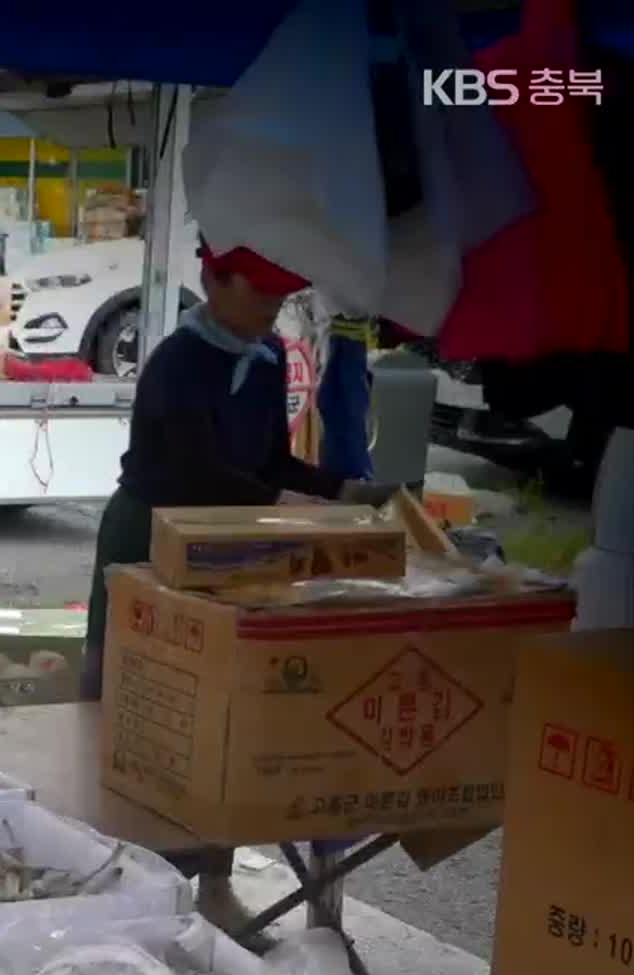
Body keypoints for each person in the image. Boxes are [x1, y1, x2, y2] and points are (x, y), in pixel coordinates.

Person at [78, 238, 398, 938]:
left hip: (229, 546)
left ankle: (213, 886)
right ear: (213, 280)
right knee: (127, 711)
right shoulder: (177, 363)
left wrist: (339, 488)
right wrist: (283, 499)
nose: (272, 310)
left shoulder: (269, 358)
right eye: (260, 294)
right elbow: (190, 468)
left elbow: (269, 458)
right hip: (149, 538)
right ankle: (111, 886)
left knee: (213, 719)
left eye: (282, 299)